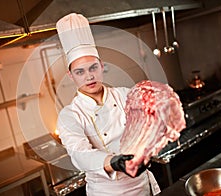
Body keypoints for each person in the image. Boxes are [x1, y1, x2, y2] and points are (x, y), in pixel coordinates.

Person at [56, 13, 161, 196]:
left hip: (142, 187)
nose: (89, 76)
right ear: (70, 75)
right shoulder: (69, 115)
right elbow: (80, 155)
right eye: (80, 72)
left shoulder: (125, 95)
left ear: (101, 66)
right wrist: (114, 162)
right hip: (106, 192)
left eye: (93, 68)